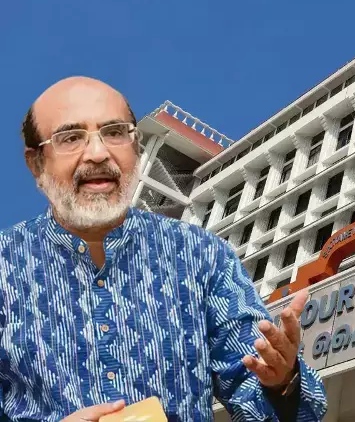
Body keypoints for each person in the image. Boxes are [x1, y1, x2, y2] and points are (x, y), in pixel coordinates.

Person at [0, 76, 327, 421]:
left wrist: (282, 383)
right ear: (36, 163)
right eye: (71, 138)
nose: (98, 153)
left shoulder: (201, 254)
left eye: (114, 132)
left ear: (136, 148)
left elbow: (257, 382)